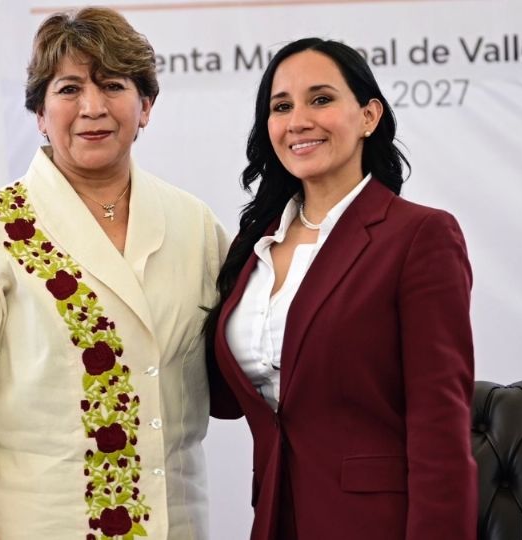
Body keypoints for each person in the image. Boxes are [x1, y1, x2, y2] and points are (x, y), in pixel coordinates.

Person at [0, 8, 227, 540]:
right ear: (39, 111)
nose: (93, 108)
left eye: (113, 85)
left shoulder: (193, 224)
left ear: (145, 106)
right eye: (70, 88)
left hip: (176, 525)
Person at [205, 38, 477, 539]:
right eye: (281, 106)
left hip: (375, 524)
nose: (299, 120)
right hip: (273, 517)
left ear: (369, 116)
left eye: (321, 99)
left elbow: (440, 424)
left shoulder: (419, 235)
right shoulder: (256, 246)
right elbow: (230, 398)